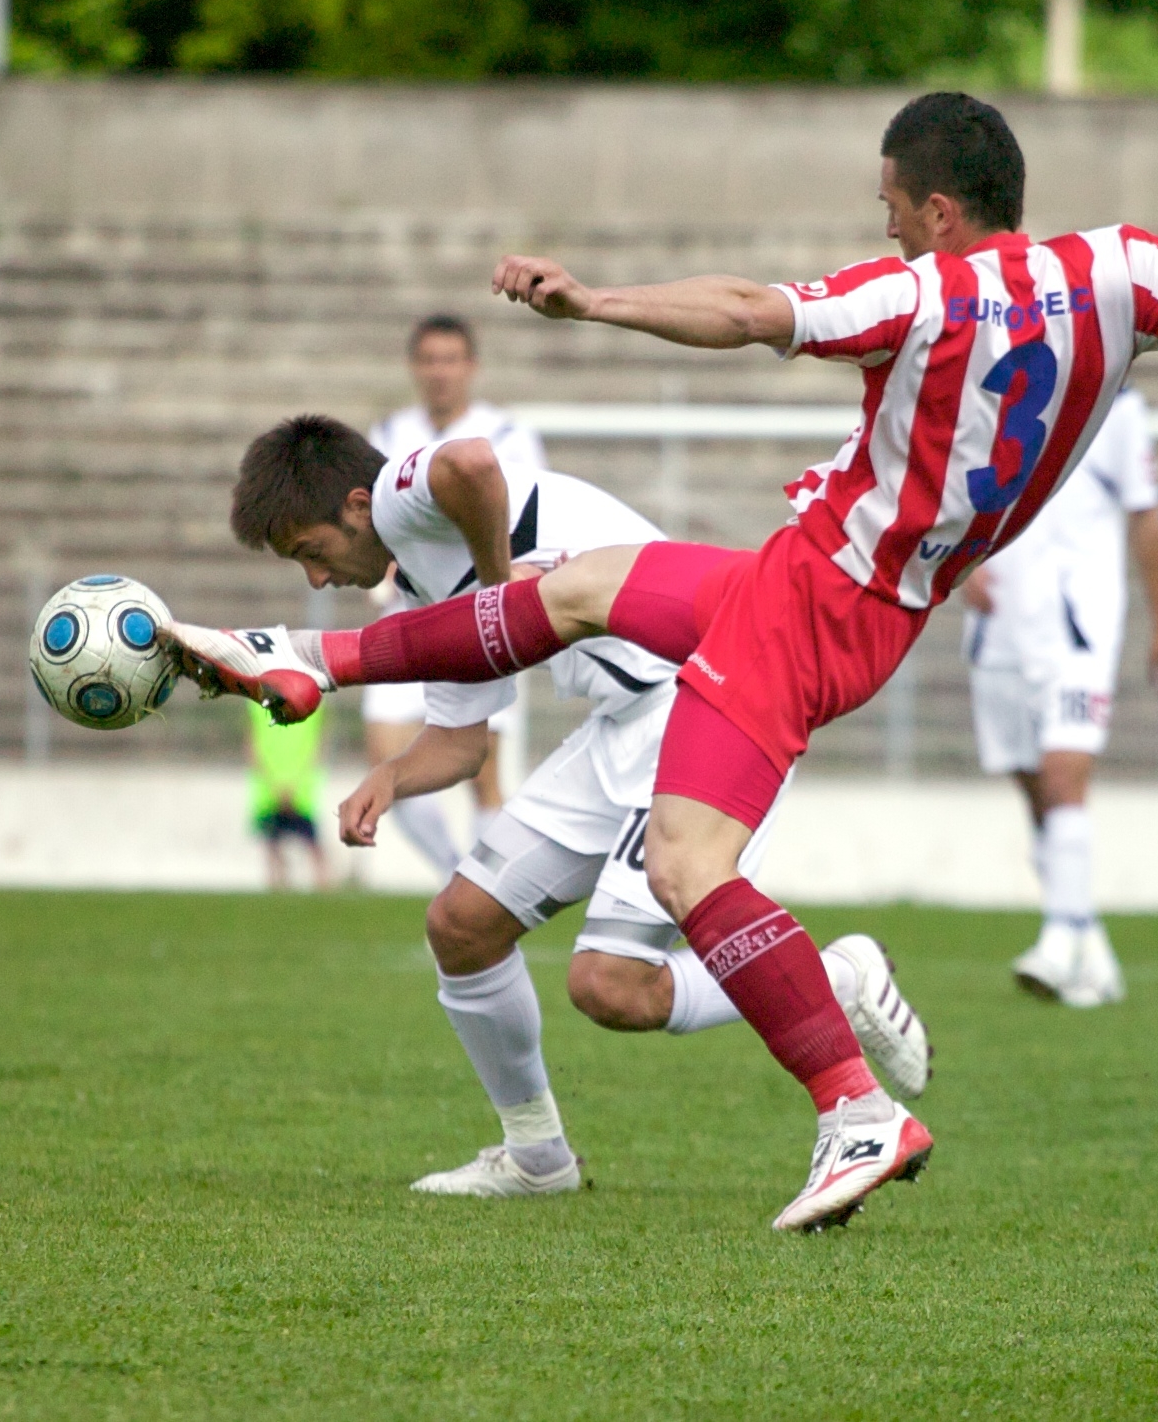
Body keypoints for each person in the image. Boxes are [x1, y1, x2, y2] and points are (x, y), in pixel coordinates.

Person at [166, 93, 1158, 1229]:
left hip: (824, 594)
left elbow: (745, 312)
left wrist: (593, 303)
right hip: (835, 583)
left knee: (687, 865)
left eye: (888, 199)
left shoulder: (923, 290)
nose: (880, 219)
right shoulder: (1127, 267)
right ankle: (299, 656)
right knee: (573, 589)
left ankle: (853, 1106)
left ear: (938, 206)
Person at [206, 414, 929, 1198]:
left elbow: (474, 462)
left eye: (312, 552)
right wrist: (391, 777)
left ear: (354, 505)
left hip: (707, 699)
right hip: (618, 728)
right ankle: (536, 1157)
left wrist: (495, 587)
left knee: (609, 985)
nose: (317, 579)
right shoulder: (414, 579)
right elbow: (461, 741)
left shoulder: (400, 498)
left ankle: (831, 982)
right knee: (460, 923)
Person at [961, 388, 1158, 1007]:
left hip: (1079, 621)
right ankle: (1091, 947)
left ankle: (1059, 940)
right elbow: (959, 492)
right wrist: (962, 564)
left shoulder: (1119, 404)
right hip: (999, 623)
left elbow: (1146, 514)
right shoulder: (990, 389)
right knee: (1034, 787)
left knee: (1063, 772)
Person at [363, 315, 546, 878]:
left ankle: (487, 890)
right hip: (408, 618)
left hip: (478, 618)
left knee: (480, 770)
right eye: (430, 360)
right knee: (386, 759)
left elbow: (521, 521)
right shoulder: (388, 434)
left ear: (471, 367)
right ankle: (455, 879)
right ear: (415, 367)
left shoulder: (508, 435)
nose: (440, 372)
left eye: (451, 360)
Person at [247, 699, 332, 891]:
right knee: (272, 847)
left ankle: (325, 892)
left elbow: (319, 744)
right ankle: (277, 891)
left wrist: (294, 783)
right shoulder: (257, 701)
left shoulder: (310, 699)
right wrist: (273, 783)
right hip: (270, 790)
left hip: (300, 791)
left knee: (313, 845)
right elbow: (252, 744)